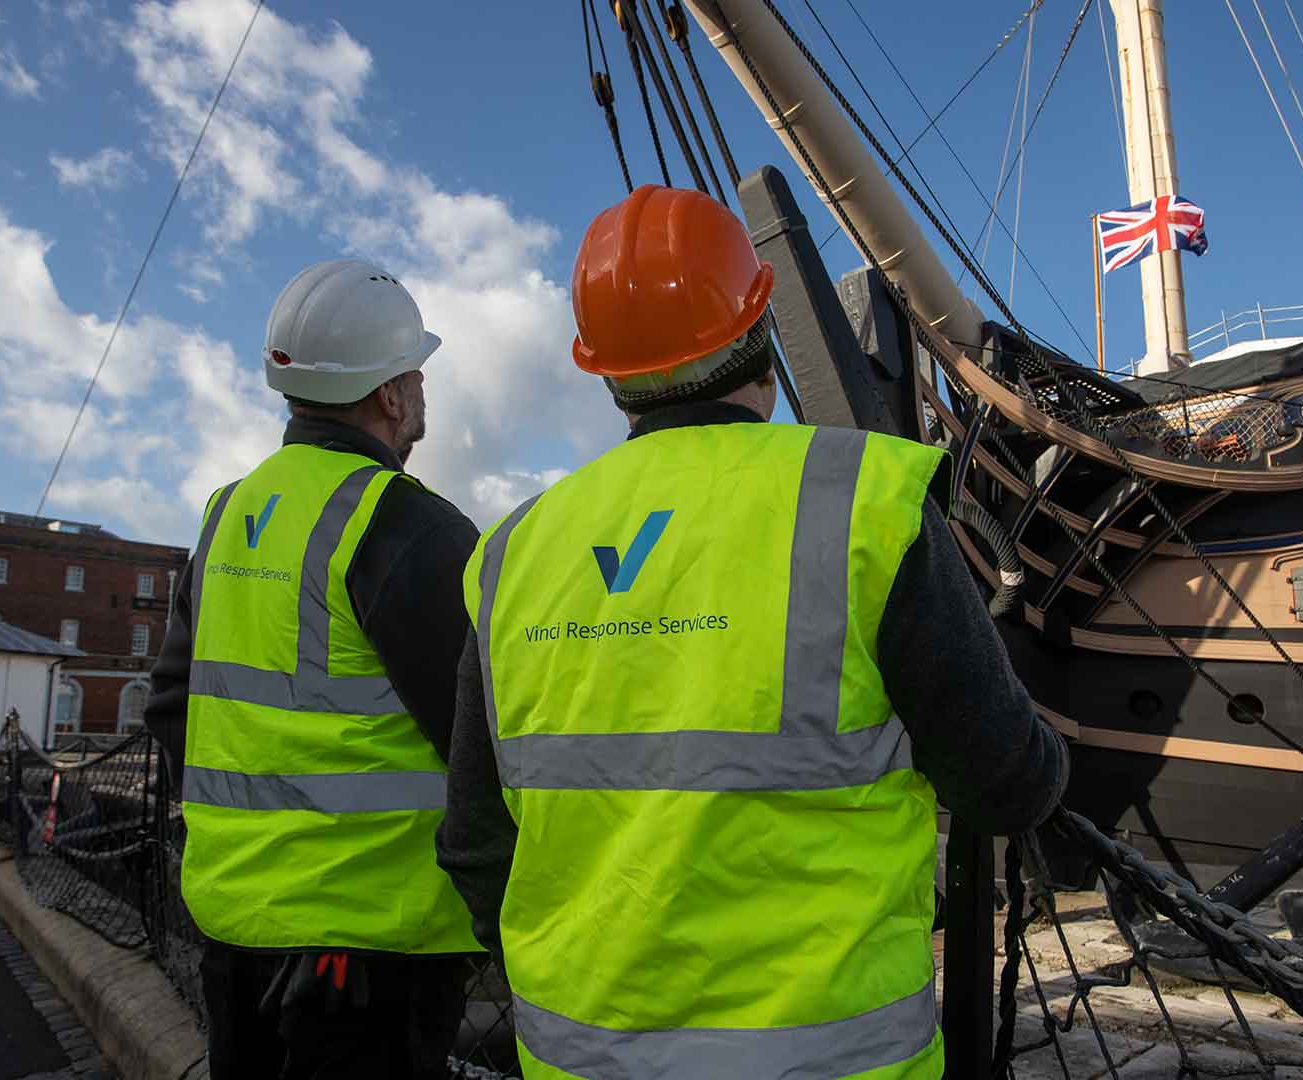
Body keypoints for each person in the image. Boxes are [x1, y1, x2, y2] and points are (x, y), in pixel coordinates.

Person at [436, 185, 1070, 1079]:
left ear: (607, 374)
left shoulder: (513, 553)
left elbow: (473, 846)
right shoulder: (862, 505)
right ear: (759, 331)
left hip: (582, 1059)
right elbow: (1006, 782)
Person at [145, 260, 481, 1079]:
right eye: (418, 374)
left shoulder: (227, 513)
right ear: (393, 395)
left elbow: (171, 706)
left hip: (235, 930)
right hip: (370, 950)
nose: (422, 394)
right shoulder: (407, 526)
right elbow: (483, 739)